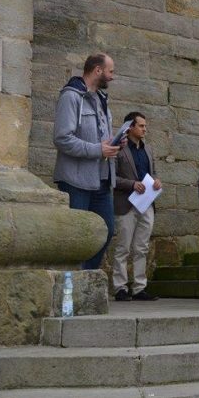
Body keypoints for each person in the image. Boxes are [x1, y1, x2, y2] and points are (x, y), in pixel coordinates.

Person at [53, 53, 120, 270]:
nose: (112, 77)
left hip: (102, 181)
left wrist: (115, 143)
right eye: (110, 71)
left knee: (106, 231)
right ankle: (72, 282)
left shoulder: (101, 99)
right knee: (76, 236)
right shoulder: (71, 97)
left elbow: (100, 137)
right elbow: (62, 139)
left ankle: (86, 276)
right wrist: (98, 149)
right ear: (98, 70)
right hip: (76, 182)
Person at [111, 112, 161, 301]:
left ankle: (140, 288)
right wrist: (132, 184)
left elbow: (154, 173)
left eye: (145, 126)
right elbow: (112, 177)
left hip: (147, 202)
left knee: (142, 247)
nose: (144, 129)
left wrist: (157, 181)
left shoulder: (148, 149)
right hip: (126, 203)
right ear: (130, 127)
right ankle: (120, 288)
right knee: (123, 247)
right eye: (141, 126)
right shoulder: (119, 148)